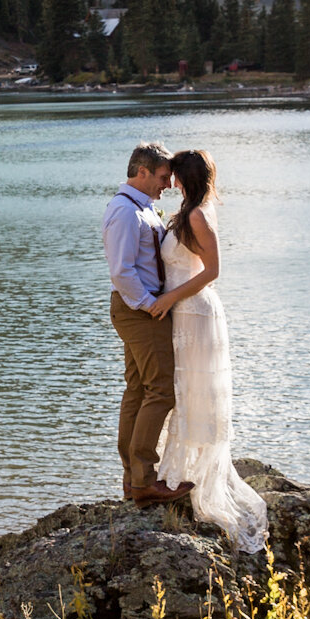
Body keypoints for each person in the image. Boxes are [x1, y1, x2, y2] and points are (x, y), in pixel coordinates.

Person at [149, 148, 268, 551]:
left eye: (174, 175)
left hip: (195, 314)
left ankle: (192, 480)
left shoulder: (198, 214)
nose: (169, 180)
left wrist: (169, 299)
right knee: (184, 393)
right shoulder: (187, 211)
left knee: (193, 393)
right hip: (182, 312)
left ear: (184, 177)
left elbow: (213, 270)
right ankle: (181, 475)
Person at [103, 142, 189, 507]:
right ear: (142, 172)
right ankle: (144, 481)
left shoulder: (143, 209)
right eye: (162, 177)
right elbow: (121, 270)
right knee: (161, 391)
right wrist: (151, 305)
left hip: (139, 309)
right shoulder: (125, 212)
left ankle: (132, 480)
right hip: (139, 311)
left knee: (138, 390)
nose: (167, 184)